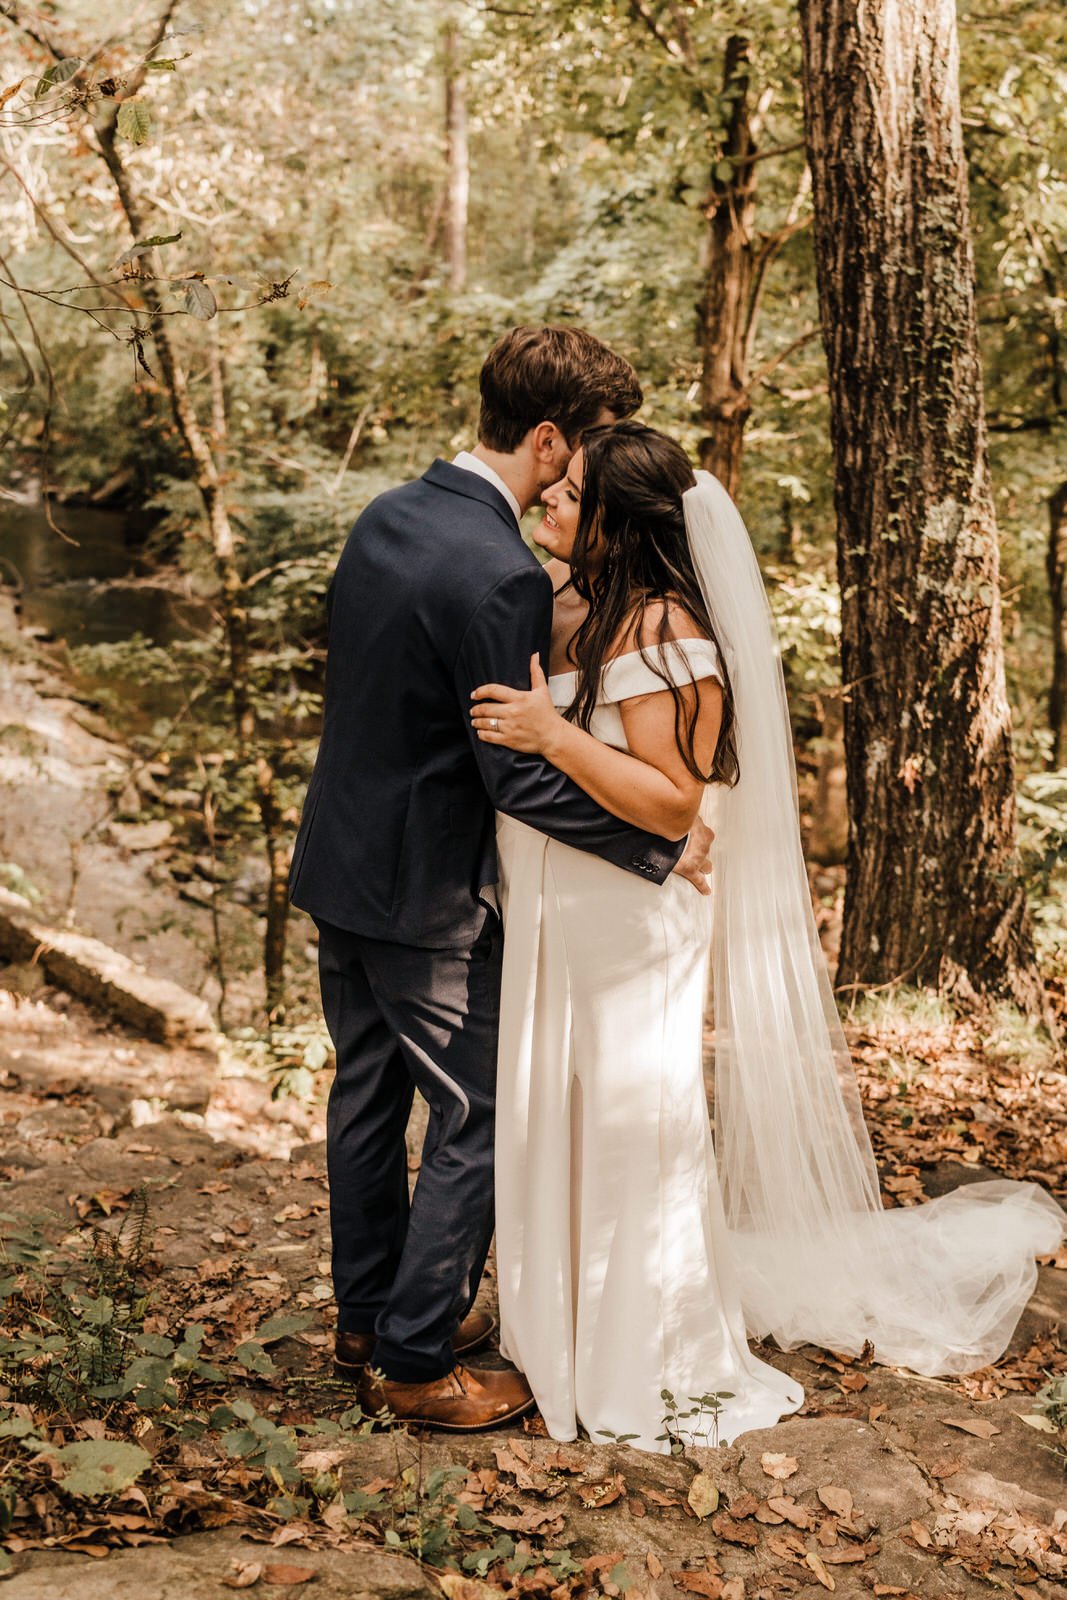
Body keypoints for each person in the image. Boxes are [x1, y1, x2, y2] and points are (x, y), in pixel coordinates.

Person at [470, 420, 1065, 1453]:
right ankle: (561, 1329)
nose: (550, 504)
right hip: (568, 920)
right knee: (567, 1114)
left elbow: (668, 805)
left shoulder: (664, 629)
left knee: (626, 1124)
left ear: (621, 519)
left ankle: (638, 1350)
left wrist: (553, 734)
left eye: (570, 494)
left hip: (624, 926)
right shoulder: (591, 609)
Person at [288, 329, 712, 1433]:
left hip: (338, 861)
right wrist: (660, 845)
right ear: (543, 437)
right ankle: (417, 1357)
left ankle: (366, 1314)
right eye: (580, 449)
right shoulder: (502, 573)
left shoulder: (387, 513)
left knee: (367, 1099)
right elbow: (513, 776)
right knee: (476, 1112)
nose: (579, 475)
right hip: (425, 893)